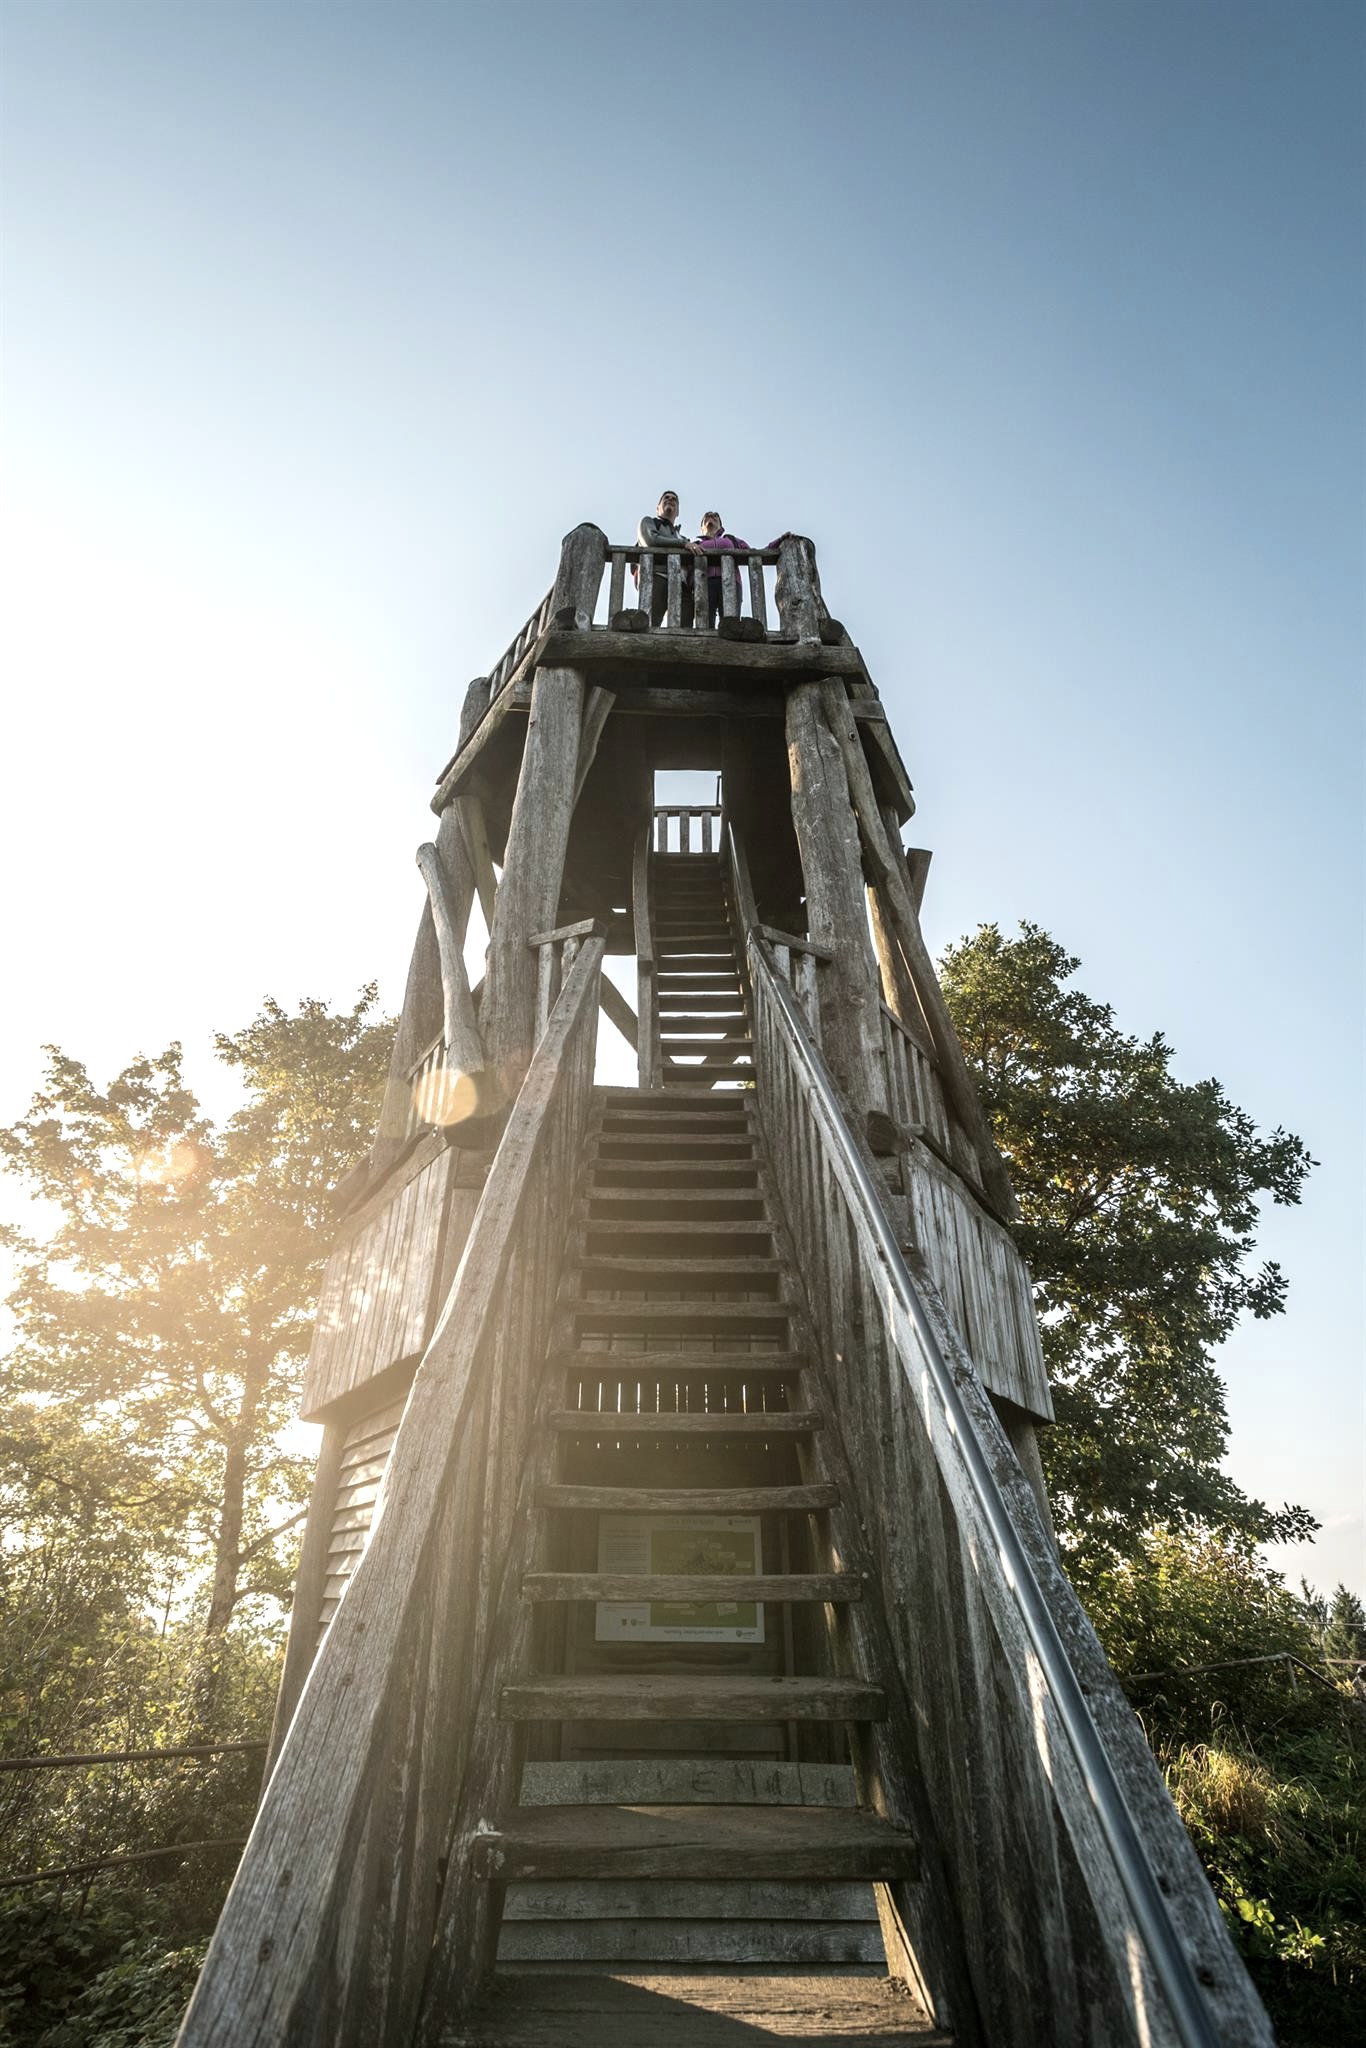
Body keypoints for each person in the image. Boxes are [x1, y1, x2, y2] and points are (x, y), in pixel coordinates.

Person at [636, 490, 701, 627]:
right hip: (657, 577)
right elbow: (651, 541)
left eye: (674, 499)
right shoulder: (649, 522)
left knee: (684, 628)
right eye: (666, 498)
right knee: (650, 624)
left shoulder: (682, 537)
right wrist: (683, 544)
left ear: (678, 512)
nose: (670, 500)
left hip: (682, 585)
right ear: (657, 508)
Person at [694, 511, 753, 628]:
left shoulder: (731, 540)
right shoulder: (696, 544)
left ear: (721, 526)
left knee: (730, 622)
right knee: (705, 623)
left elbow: (752, 552)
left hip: (730, 583)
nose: (711, 518)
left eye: (715, 517)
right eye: (707, 517)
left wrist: (778, 542)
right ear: (701, 528)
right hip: (704, 583)